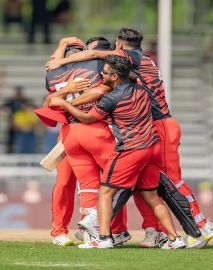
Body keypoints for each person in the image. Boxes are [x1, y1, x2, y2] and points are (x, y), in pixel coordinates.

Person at [46, 28, 213, 249]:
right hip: (152, 126)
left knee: (169, 181)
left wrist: (61, 85)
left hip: (157, 126)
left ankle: (200, 226)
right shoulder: (138, 62)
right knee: (145, 184)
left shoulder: (124, 60)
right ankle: (126, 231)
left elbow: (87, 69)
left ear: (118, 46)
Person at [49, 55, 186, 249]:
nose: (101, 74)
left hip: (131, 149)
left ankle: (104, 238)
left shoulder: (111, 98)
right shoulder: (142, 89)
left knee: (105, 193)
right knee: (152, 196)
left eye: (104, 72)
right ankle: (174, 239)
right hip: (152, 148)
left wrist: (65, 104)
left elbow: (87, 118)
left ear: (114, 77)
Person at [42, 38, 129, 246]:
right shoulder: (88, 68)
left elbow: (51, 98)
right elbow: (48, 102)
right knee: (66, 183)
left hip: (88, 129)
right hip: (74, 131)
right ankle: (60, 231)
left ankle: (114, 229)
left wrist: (62, 47)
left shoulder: (95, 66)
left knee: (106, 183)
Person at [1, 86, 28, 153]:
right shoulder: (11, 101)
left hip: (22, 123)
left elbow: (32, 106)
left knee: (24, 138)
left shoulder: (24, 101)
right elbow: (3, 106)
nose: (18, 95)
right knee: (11, 137)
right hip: (13, 122)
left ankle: (24, 150)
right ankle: (9, 150)